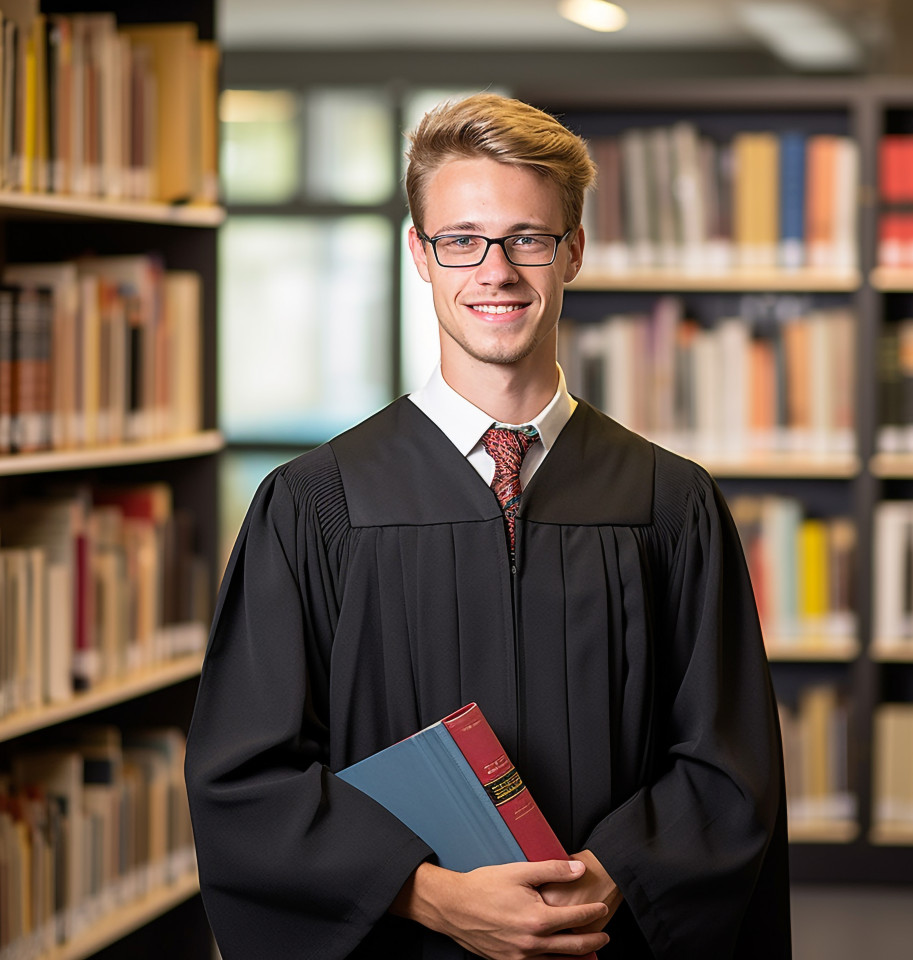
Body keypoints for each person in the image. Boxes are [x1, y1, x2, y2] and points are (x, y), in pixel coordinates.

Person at [184, 93, 792, 960]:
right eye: (461, 240)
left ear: (572, 252)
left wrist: (612, 875)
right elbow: (248, 776)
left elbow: (730, 764)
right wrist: (424, 894)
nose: (495, 271)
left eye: (528, 239)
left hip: (606, 943)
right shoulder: (315, 505)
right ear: (420, 256)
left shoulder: (670, 505)